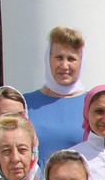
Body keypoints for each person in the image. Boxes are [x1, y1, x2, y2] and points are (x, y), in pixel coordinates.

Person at [24, 26, 89, 161]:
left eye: (71, 59)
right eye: (59, 57)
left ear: (81, 62)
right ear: (48, 59)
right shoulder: (26, 103)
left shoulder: (92, 103)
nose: (64, 66)